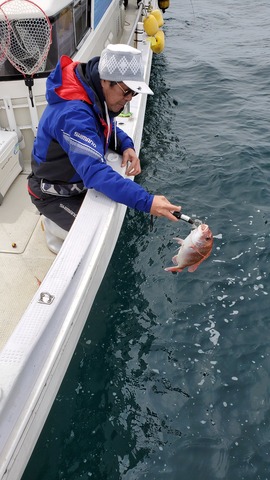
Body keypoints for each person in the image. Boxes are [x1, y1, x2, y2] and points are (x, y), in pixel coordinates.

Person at [28, 43, 181, 234]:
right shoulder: (74, 115)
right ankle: (51, 224)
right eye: (126, 91)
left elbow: (104, 126)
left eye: (134, 92)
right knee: (93, 233)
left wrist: (126, 145)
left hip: (77, 183)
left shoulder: (92, 93)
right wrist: (147, 202)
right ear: (104, 81)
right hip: (53, 194)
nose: (129, 99)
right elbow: (95, 172)